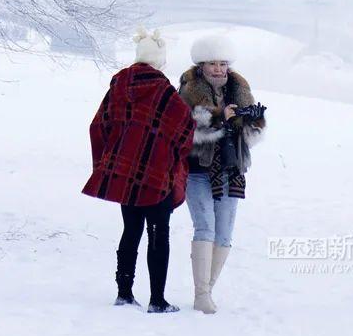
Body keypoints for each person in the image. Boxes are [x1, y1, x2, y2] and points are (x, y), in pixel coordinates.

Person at [82, 26, 194, 314]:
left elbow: (98, 126)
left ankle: (124, 293)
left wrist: (109, 161)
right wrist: (172, 161)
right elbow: (184, 132)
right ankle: (157, 300)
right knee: (159, 234)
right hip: (157, 176)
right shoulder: (166, 93)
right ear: (160, 60)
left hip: (125, 174)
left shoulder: (118, 86)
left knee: (130, 230)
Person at [178, 33, 267, 314]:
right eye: (212, 63)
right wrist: (221, 118)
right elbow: (186, 130)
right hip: (198, 169)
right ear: (201, 65)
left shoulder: (240, 89)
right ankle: (201, 294)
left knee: (225, 234)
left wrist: (249, 120)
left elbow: (255, 134)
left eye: (222, 63)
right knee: (205, 227)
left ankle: (208, 289)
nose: (218, 69)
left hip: (231, 169)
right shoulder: (188, 91)